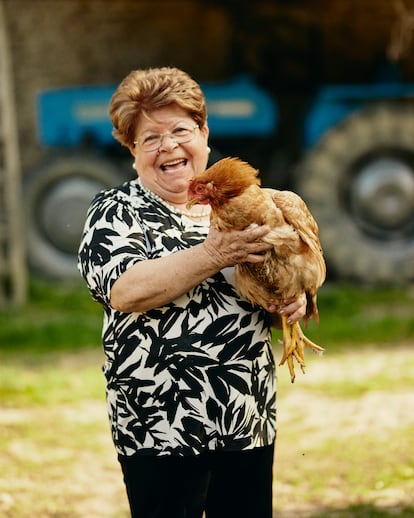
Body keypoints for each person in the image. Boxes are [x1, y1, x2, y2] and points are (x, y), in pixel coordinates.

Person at [78, 67, 306, 518]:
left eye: (180, 130)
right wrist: (213, 254)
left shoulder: (243, 204)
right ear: (132, 151)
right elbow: (126, 291)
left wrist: (291, 301)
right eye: (150, 139)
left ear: (203, 133)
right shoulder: (114, 212)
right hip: (160, 426)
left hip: (244, 417)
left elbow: (273, 280)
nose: (169, 147)